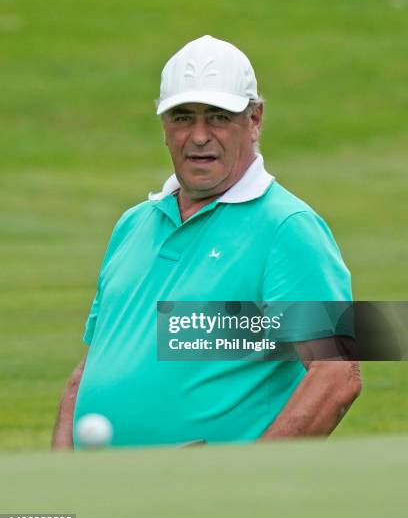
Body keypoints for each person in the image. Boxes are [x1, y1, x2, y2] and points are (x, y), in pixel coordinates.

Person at [52, 35, 361, 450]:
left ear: (254, 120)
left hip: (206, 503)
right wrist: (58, 478)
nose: (199, 136)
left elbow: (337, 376)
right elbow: (88, 371)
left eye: (217, 117)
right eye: (182, 118)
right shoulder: (132, 225)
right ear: (164, 126)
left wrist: (243, 482)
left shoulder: (286, 227)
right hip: (103, 495)